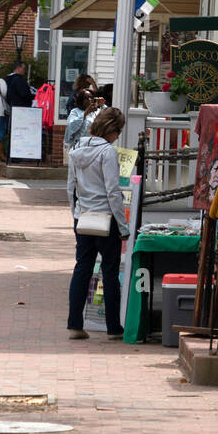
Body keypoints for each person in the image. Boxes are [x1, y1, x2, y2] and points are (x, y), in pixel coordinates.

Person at [66, 107, 129, 341]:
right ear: (111, 129)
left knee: (82, 268)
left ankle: (74, 324)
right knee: (109, 272)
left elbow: (71, 187)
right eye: (118, 130)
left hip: (83, 217)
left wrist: (75, 214)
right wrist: (123, 226)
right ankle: (113, 327)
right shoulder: (108, 153)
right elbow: (113, 191)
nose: (118, 136)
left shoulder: (76, 149)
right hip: (106, 219)